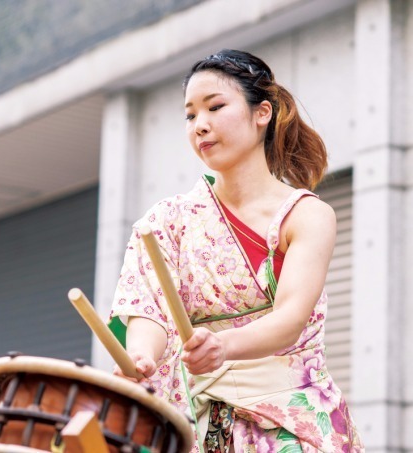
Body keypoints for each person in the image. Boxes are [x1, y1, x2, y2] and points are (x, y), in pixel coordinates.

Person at [108, 49, 362, 451]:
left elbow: (291, 318)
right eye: (190, 116)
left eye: (215, 107)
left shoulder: (307, 215)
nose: (200, 126)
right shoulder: (166, 221)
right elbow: (149, 308)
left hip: (294, 427)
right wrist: (141, 358)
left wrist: (222, 346)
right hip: (198, 427)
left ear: (262, 113)